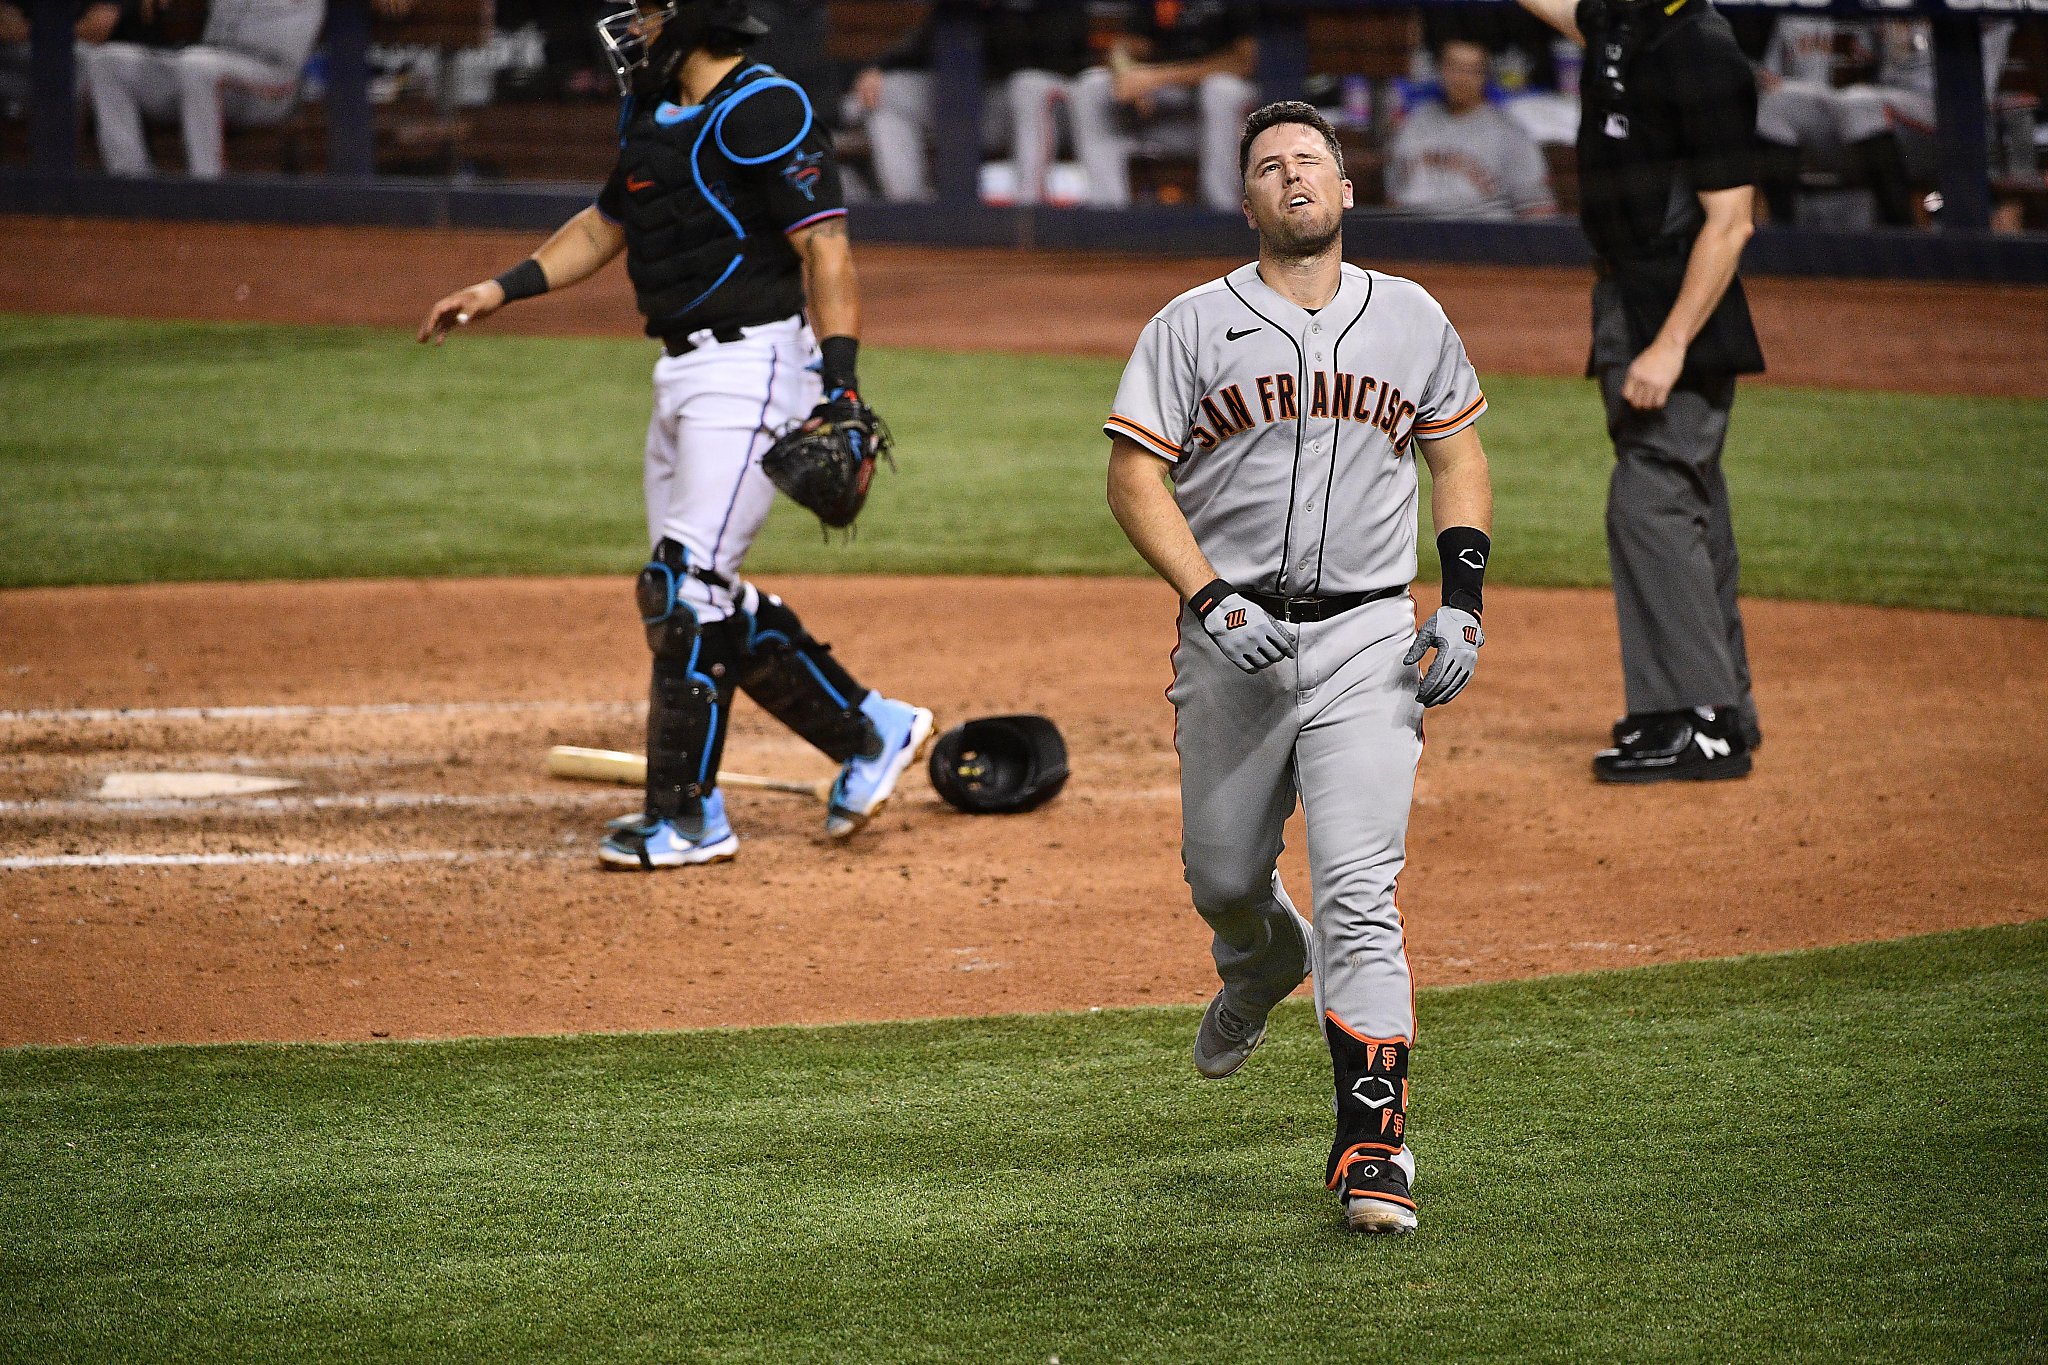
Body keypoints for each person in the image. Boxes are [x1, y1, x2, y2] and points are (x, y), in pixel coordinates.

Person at [418, 0, 932, 870]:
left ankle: (689, 819)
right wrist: (498, 289)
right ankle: (870, 728)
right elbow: (604, 225)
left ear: (699, 18)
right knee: (700, 590)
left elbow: (828, 252)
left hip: (758, 365)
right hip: (683, 373)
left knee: (683, 586)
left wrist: (838, 385)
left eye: (656, 10)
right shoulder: (653, 112)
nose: (639, 25)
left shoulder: (767, 109)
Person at [1104, 101, 1496, 1233]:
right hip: (1231, 642)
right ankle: (1260, 960)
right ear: (1247, 200)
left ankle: (1373, 1146)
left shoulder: (1411, 317)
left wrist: (1460, 601)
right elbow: (1134, 480)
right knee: (1223, 876)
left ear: (1345, 189)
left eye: (1309, 162)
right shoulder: (1187, 324)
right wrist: (1208, 596)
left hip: (1371, 639)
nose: (1292, 178)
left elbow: (1456, 457)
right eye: (1268, 166)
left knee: (1360, 891)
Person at [1513, 0, 1763, 781]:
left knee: (1649, 501)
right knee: (1688, 501)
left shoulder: (1704, 50)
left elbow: (1732, 223)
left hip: (1676, 303)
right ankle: (1722, 709)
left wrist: (1670, 344)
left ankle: (1697, 717)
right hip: (1632, 294)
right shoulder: (1626, 19)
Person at [1753, 16, 2014, 227]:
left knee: (1861, 102)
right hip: (1882, 123)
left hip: (1956, 119)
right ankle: (1786, 232)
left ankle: (1902, 231)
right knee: (1778, 104)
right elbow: (1861, 59)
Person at [841, 0, 1090, 205]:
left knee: (1026, 86)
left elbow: (1056, 56)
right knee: (886, 92)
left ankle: (1029, 210)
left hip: (1040, 107)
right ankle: (909, 209)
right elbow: (929, 41)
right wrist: (878, 69)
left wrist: (995, 12)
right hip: (968, 102)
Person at [79, 0, 322, 178]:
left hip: (270, 80)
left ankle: (207, 188)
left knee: (198, 66)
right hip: (207, 66)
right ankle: (132, 184)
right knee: (108, 62)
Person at [1069, 0, 1259, 211]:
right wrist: (1126, 72)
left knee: (1221, 90)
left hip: (1222, 120)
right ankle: (1107, 214)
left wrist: (1156, 78)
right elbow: (1125, 47)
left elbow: (1243, 62)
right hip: (1161, 113)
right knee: (1092, 85)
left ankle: (1223, 213)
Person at [1386, 39, 1557, 220]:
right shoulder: (1414, 124)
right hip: (1414, 235)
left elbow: (1538, 211)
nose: (1462, 79)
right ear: (1441, 70)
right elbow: (1394, 198)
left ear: (1484, 77)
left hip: (1481, 237)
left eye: (1472, 71)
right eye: (1455, 68)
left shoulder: (1509, 133)